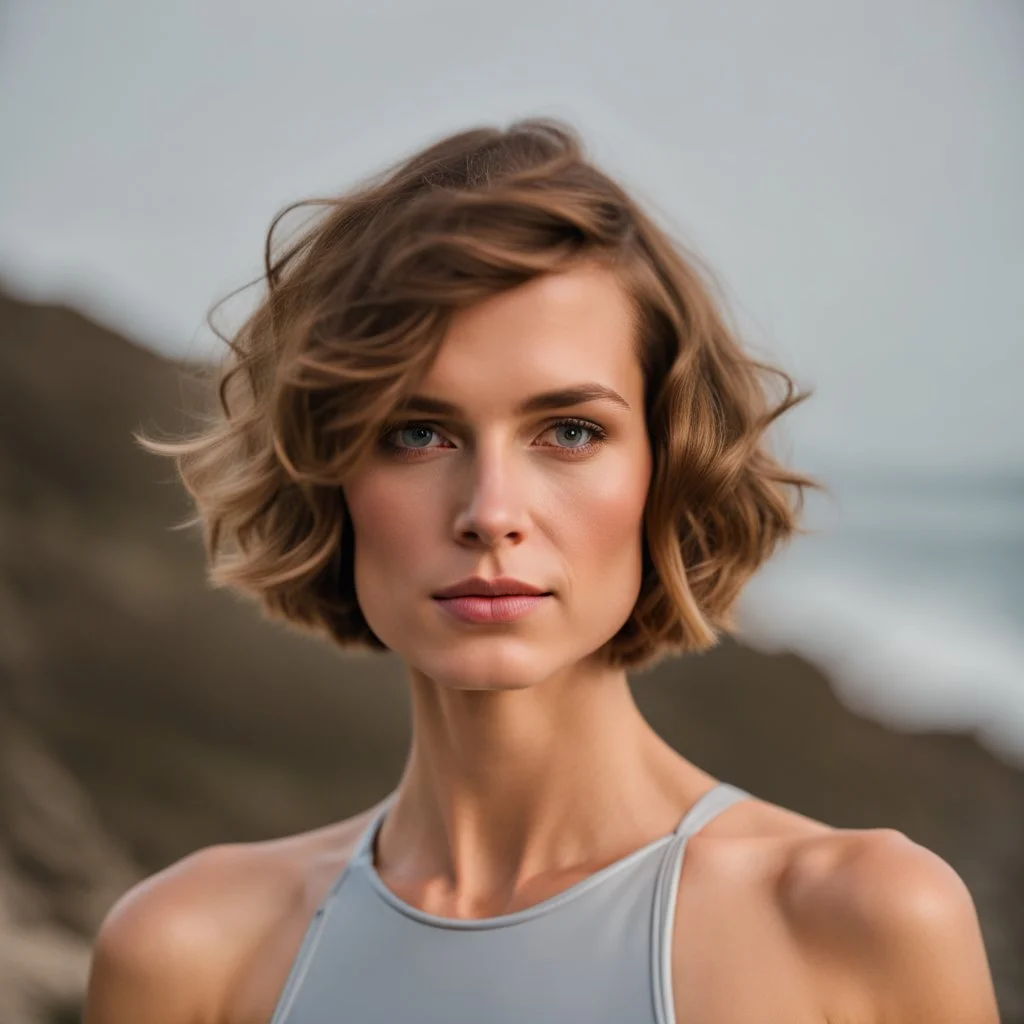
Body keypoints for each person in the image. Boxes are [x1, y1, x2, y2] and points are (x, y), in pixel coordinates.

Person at [83, 118, 999, 1024]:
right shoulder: (188, 950)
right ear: (328, 475)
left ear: (667, 469)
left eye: (569, 431)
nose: (489, 512)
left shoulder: (862, 920)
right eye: (416, 433)